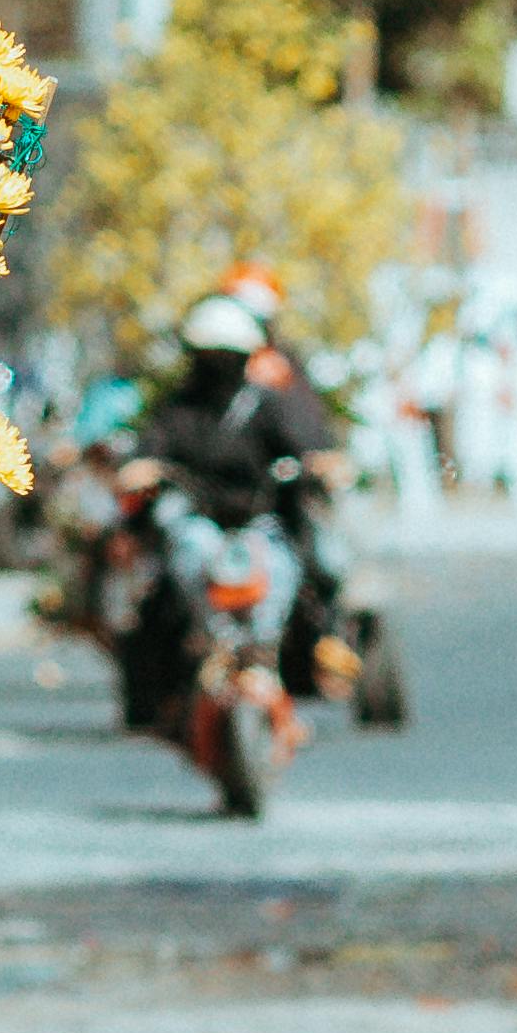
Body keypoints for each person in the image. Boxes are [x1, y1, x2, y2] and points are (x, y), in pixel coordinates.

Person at [119, 292, 346, 729]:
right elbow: (144, 456)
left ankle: (286, 647)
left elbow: (312, 449)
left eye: (227, 355)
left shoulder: (268, 406)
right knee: (182, 549)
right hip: (202, 523)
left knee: (296, 564)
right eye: (209, 355)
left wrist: (322, 465)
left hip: (263, 523)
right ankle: (205, 645)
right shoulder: (177, 409)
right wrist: (140, 471)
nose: (217, 366)